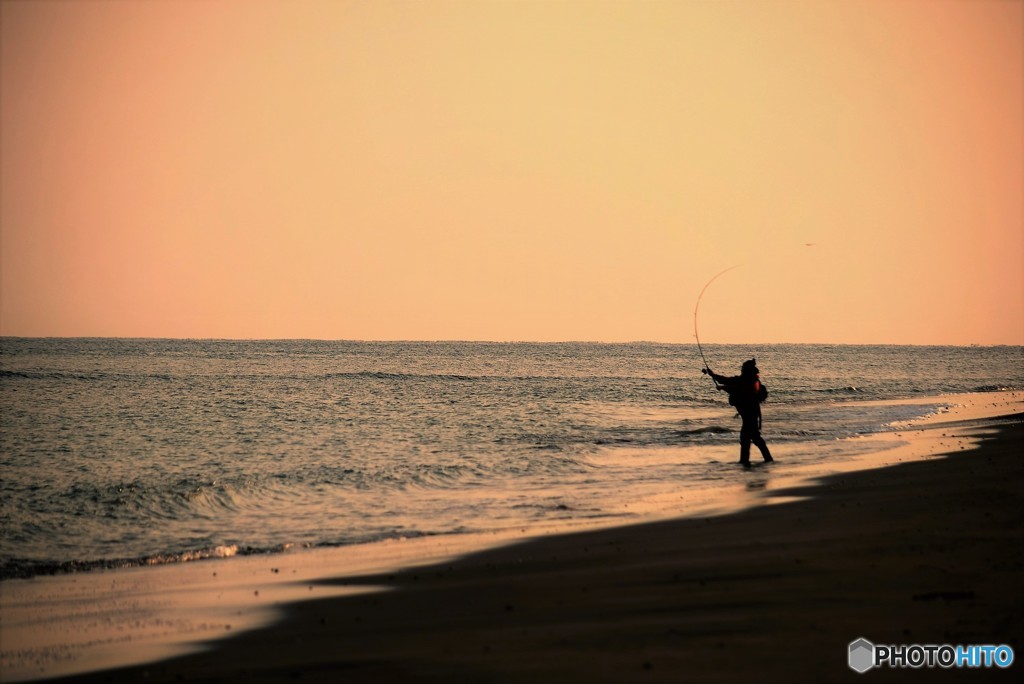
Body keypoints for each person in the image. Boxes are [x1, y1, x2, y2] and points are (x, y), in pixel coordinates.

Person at [703, 358, 774, 468]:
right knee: (753, 438)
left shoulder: (747, 381)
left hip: (749, 414)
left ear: (746, 370)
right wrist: (713, 375)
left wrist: (722, 386)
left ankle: (747, 462)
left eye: (743, 368)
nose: (741, 370)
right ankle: (759, 460)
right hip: (751, 413)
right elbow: (728, 382)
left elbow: (736, 388)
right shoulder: (751, 380)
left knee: (748, 438)